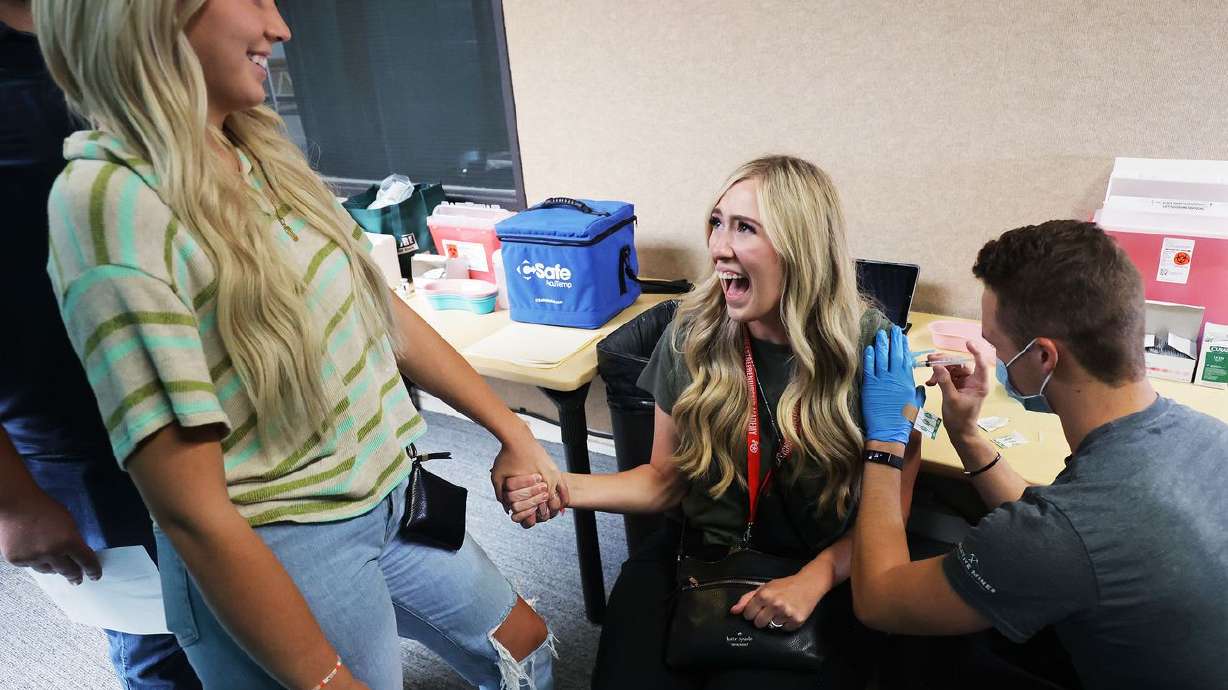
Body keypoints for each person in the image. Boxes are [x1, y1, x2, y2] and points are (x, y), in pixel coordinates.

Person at [34, 1, 562, 688]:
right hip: (280, 538)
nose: (280, 28)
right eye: (253, 0)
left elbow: (380, 315)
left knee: (526, 650)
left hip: (390, 495)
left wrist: (509, 429)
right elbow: (189, 510)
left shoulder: (256, 148)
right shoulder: (111, 203)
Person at [505, 155, 923, 689]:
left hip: (820, 566)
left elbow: (893, 511)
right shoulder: (695, 333)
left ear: (801, 248)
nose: (719, 246)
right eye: (717, 222)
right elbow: (663, 481)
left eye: (744, 228)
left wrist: (814, 579)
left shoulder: (873, 350)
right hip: (700, 554)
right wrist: (562, 487)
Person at [852, 220, 1228, 689]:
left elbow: (878, 600)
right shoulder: (1207, 436)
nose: (989, 353)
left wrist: (886, 444)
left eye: (995, 342)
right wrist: (967, 436)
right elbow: (1067, 526)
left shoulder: (1060, 533)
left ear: (1043, 357)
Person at [0, 1, 202, 686]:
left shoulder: (117, 27)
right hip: (66, 428)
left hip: (185, 383)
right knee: (161, 636)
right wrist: (13, 501)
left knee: (238, 599)